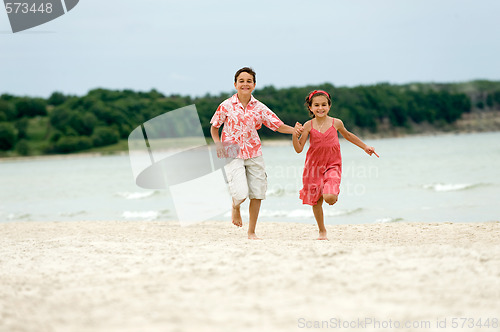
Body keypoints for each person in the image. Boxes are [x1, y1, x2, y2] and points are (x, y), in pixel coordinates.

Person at [210, 67, 301, 239]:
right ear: (235, 84)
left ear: (254, 84)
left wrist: (295, 131)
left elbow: (277, 125)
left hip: (254, 152)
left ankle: (251, 232)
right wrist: (217, 144)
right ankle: (235, 206)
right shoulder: (226, 105)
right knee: (240, 194)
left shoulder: (259, 107)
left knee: (257, 193)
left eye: (249, 81)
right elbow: (214, 127)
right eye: (242, 81)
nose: (245, 84)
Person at [292, 90, 379, 240]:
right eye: (316, 105)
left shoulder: (336, 123)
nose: (321, 108)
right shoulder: (308, 125)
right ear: (310, 108)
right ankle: (322, 231)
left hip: (333, 164)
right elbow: (299, 149)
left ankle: (332, 191)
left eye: (324, 105)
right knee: (316, 201)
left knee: (330, 198)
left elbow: (348, 135)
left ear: (329, 106)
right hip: (313, 168)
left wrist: (365, 147)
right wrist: (295, 134)